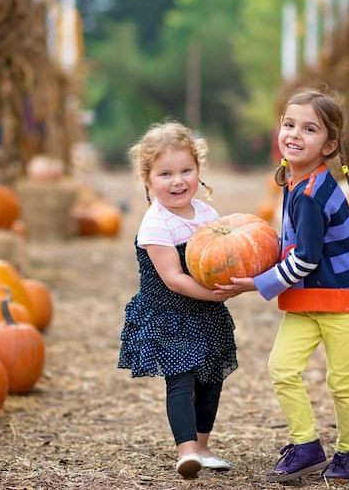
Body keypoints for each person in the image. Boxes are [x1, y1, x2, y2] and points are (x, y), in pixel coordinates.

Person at [215, 89, 349, 483]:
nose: (294, 134)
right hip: (309, 297)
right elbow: (293, 247)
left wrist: (257, 283)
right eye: (289, 125)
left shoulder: (311, 194)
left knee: (340, 381)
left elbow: (305, 258)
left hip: (344, 299)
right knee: (282, 368)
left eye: (309, 129)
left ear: (330, 145)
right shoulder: (295, 183)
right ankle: (306, 445)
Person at [118, 121, 238, 480]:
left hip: (206, 313)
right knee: (182, 379)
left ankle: (203, 446)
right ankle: (186, 451)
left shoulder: (207, 216)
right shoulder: (156, 224)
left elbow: (221, 258)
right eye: (165, 173)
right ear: (148, 180)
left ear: (199, 172)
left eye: (186, 170)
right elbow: (173, 279)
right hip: (169, 313)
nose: (177, 181)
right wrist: (218, 293)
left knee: (211, 379)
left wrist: (235, 280)